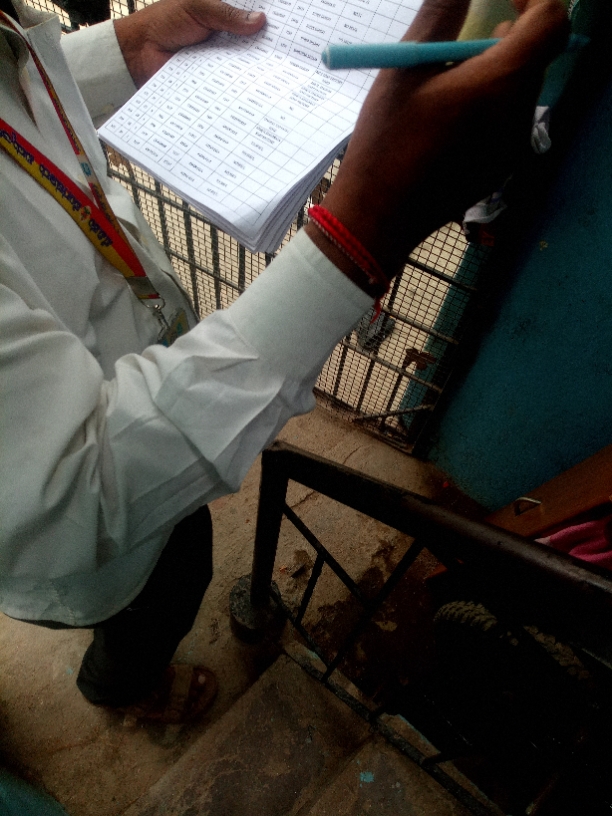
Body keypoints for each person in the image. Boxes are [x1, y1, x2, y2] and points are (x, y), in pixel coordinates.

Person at [0, 0, 567, 721]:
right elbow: (71, 497)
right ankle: (123, 691)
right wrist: (359, 232)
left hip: (139, 386)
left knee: (181, 548)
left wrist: (125, 48)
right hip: (94, 554)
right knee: (158, 596)